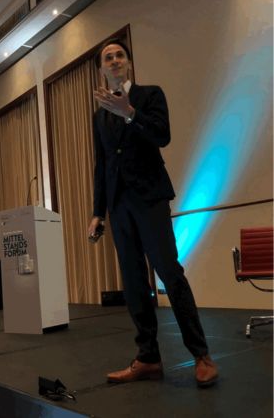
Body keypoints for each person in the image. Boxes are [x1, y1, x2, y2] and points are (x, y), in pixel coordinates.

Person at [88, 39, 218, 388]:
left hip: (150, 199)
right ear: (102, 69)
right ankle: (147, 358)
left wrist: (130, 112)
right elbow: (102, 164)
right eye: (108, 58)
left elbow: (163, 136)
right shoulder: (99, 115)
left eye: (120, 55)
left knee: (170, 274)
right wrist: (98, 211)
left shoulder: (150, 95)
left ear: (128, 64)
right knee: (133, 282)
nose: (114, 60)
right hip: (119, 205)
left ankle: (201, 355)